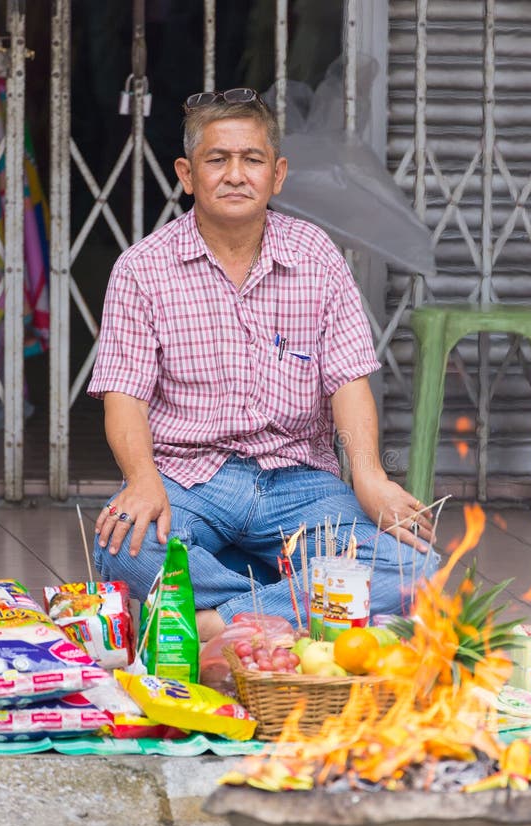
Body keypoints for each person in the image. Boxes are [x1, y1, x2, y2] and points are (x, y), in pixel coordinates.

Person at [88, 87, 438, 640]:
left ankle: (212, 621)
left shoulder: (316, 256)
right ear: (186, 173)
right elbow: (123, 394)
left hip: (301, 483)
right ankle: (289, 600)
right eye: (217, 159)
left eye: (251, 160)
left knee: (414, 566)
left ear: (277, 175)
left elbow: (349, 380)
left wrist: (369, 475)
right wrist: (141, 479)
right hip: (191, 481)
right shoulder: (142, 269)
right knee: (121, 545)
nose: (235, 175)